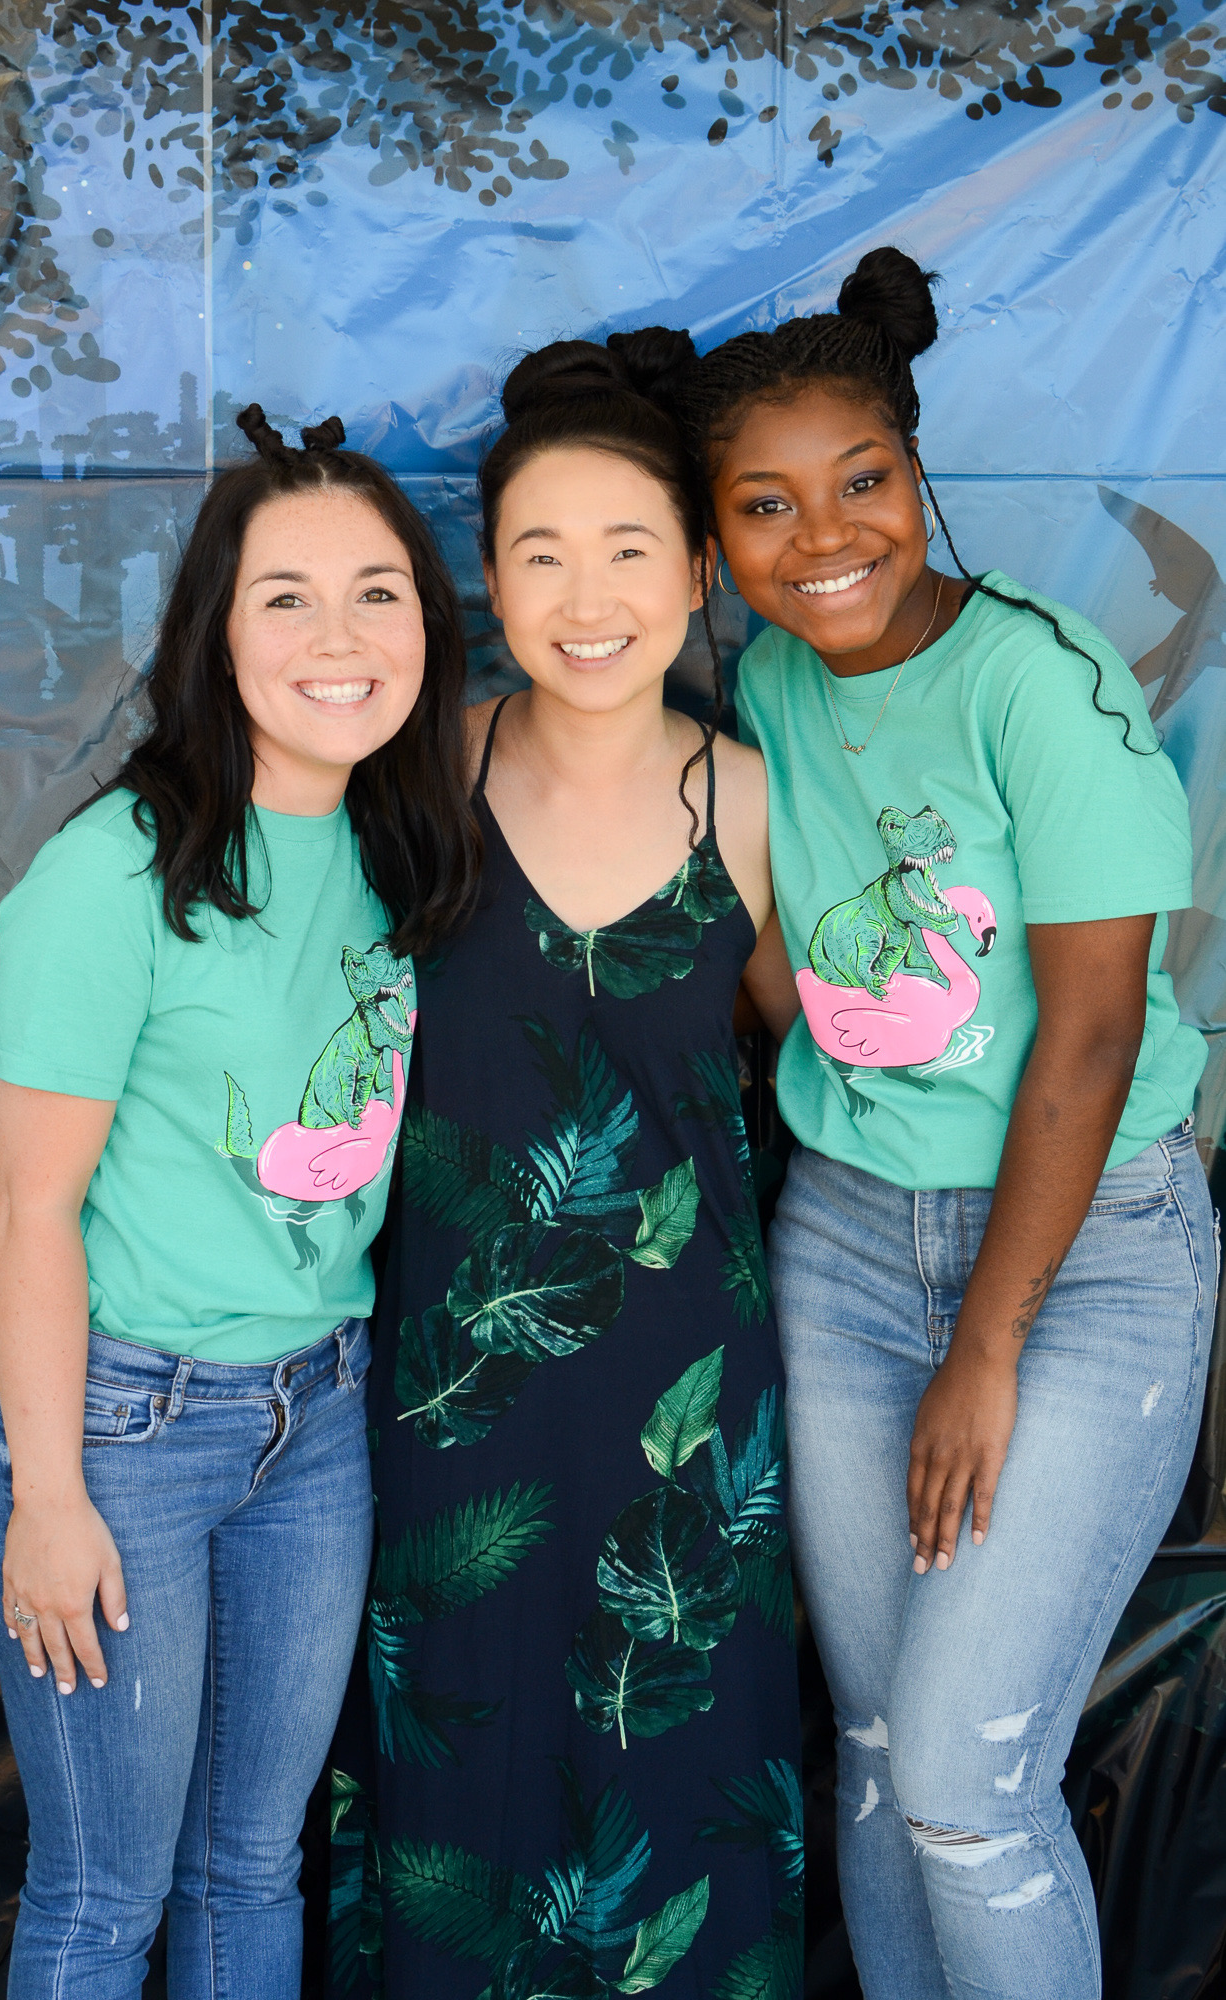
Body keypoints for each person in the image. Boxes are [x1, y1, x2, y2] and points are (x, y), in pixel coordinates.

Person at [670, 249, 1215, 1999]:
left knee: (974, 1788)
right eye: (763, 506)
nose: (822, 536)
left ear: (917, 472)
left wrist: (985, 1346)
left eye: (862, 484)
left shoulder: (1038, 687)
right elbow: (775, 950)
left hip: (1077, 1244)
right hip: (842, 1233)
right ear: (712, 539)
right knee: (884, 1753)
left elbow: (1089, 1033)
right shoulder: (765, 691)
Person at [0, 406, 479, 2000]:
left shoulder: (400, 840)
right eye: (286, 597)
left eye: (378, 590)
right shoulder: (115, 875)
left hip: (314, 1414)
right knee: (106, 1895)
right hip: (118, 1425)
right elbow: (28, 1212)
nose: (340, 637)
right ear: (213, 631)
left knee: (256, 1864)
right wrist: (50, 1497)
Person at [335, 336, 803, 1995]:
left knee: (674, 1781)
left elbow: (802, 1050)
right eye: (540, 553)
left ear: (693, 574)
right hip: (452, 1396)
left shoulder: (747, 802)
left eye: (626, 550)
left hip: (690, 1400)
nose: (584, 594)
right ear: (487, 581)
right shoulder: (411, 786)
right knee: (462, 1766)